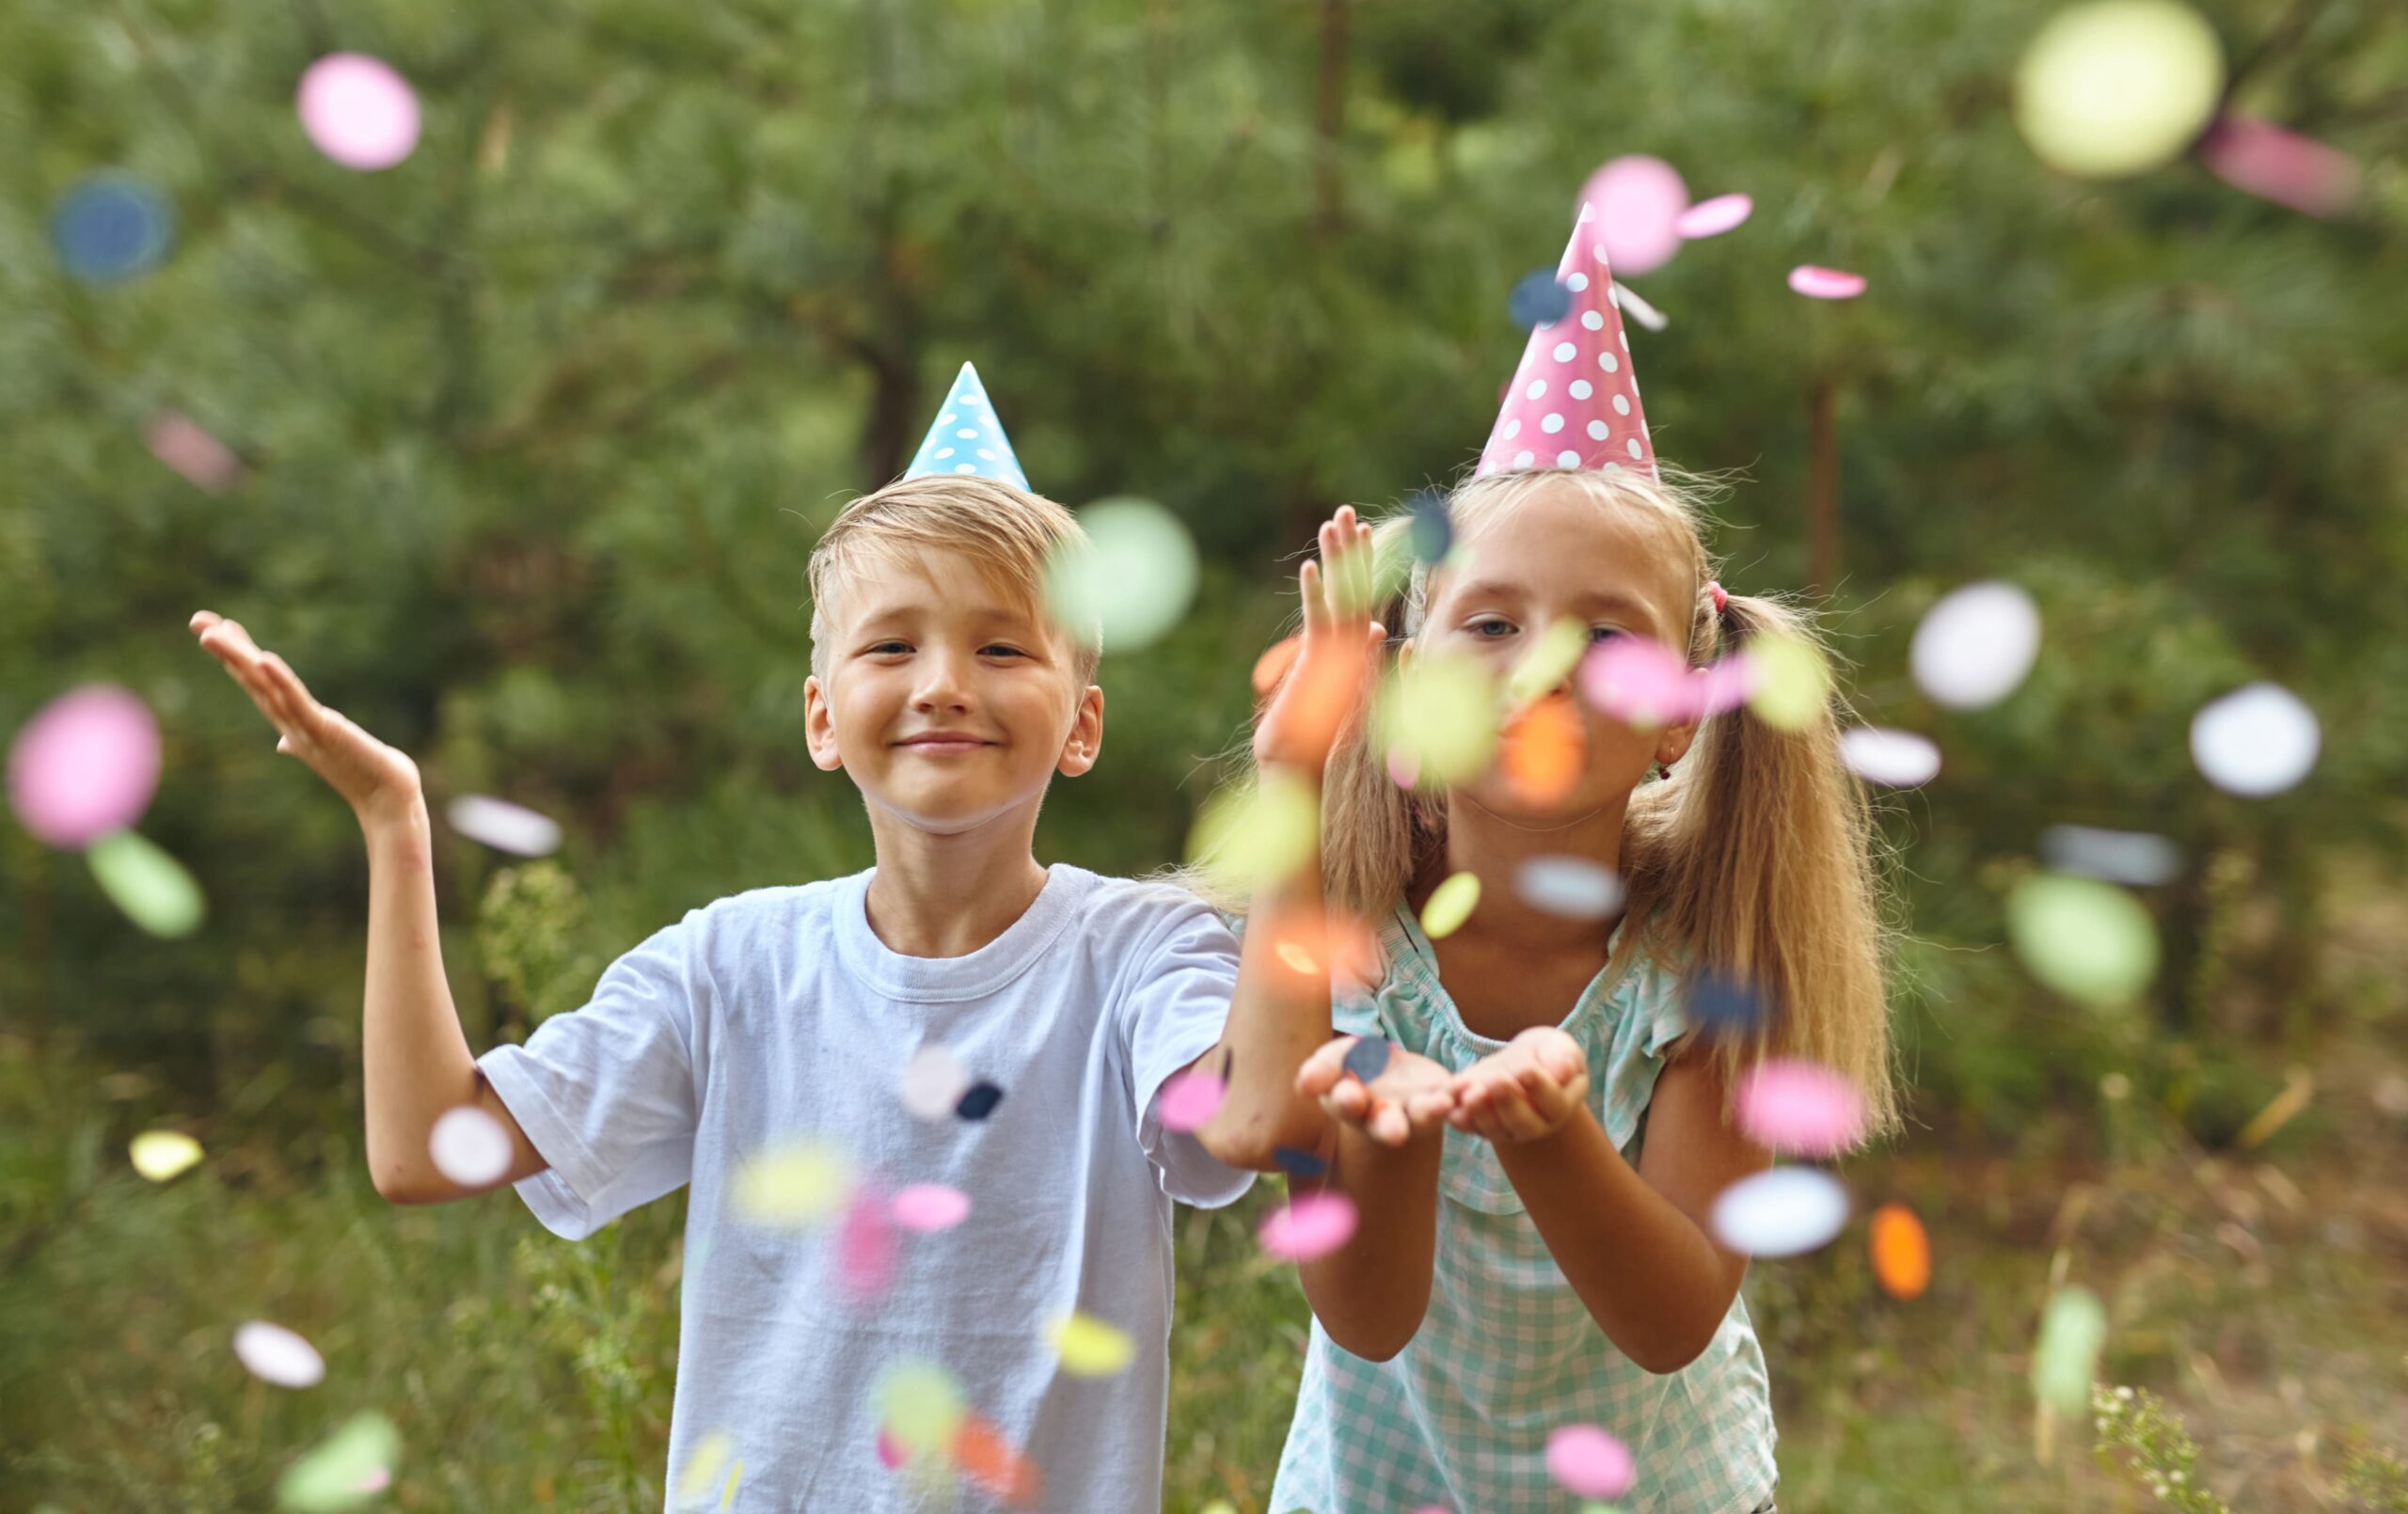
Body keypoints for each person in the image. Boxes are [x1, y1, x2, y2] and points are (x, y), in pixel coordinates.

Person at [190, 362, 1324, 1512]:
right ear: (820, 716)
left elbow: (1255, 1117)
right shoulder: (730, 966)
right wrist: (396, 824)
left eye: (1000, 648)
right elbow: (428, 1150)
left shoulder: (1144, 951)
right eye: (890, 647)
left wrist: (1296, 791)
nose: (942, 683)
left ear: (1081, 723)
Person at [1236, 209, 1905, 1513]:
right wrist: (1290, 775)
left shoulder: (1705, 960)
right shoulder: (1354, 924)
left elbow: (1670, 1318)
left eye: (1607, 636)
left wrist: (1549, 1131)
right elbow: (1355, 1297)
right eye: (1491, 622)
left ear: (1676, 714)